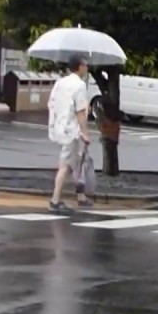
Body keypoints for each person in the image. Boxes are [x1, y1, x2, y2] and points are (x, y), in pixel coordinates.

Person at [47, 54, 93, 213]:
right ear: (80, 67)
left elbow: (52, 103)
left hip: (60, 127)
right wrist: (85, 133)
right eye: (85, 65)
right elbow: (80, 112)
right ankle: (55, 200)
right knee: (66, 166)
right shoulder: (79, 86)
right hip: (72, 131)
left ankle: (80, 196)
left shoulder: (60, 83)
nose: (87, 68)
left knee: (75, 163)